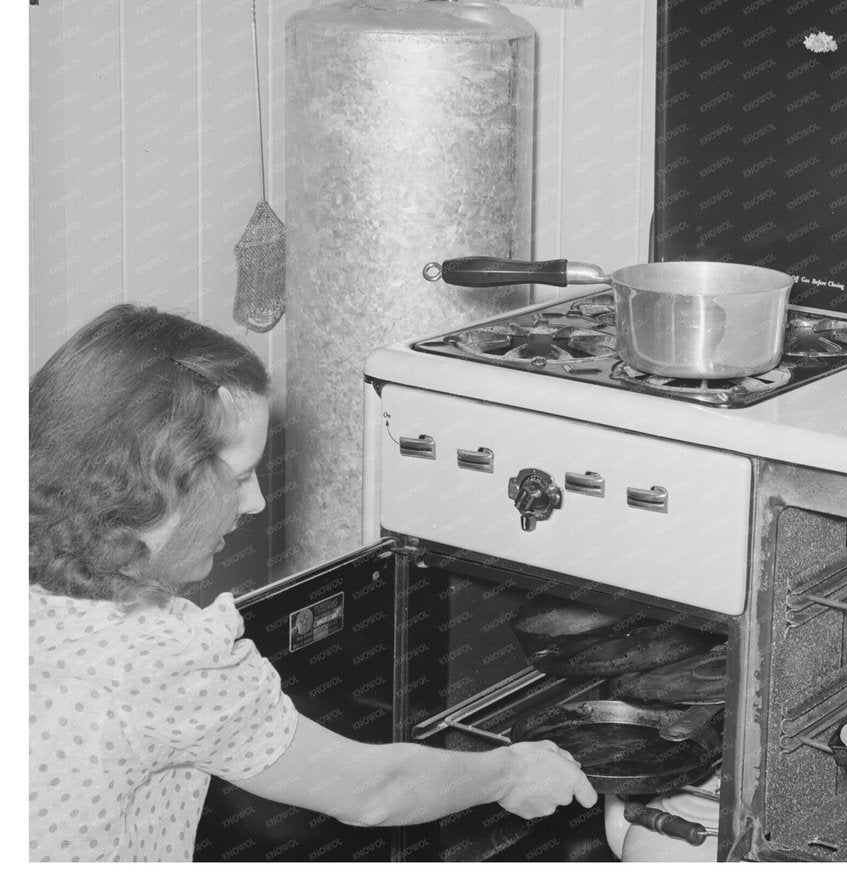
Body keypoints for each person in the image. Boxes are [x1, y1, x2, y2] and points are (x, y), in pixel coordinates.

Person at [29, 304, 597, 861]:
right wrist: (513, 771)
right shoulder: (162, 659)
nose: (255, 503)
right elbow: (372, 791)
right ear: (164, 476)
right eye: (242, 475)